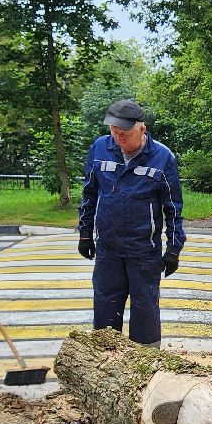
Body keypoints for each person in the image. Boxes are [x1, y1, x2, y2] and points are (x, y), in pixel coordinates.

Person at [76, 99, 186, 346]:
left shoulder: (162, 157)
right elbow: (89, 194)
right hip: (108, 249)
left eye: (124, 134)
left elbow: (173, 208)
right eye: (113, 133)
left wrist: (174, 249)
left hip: (144, 251)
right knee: (105, 307)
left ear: (142, 130)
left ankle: (146, 366)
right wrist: (85, 234)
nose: (118, 139)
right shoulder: (100, 149)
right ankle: (104, 361)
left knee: (145, 309)